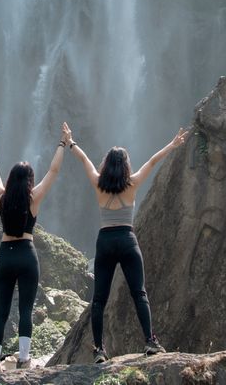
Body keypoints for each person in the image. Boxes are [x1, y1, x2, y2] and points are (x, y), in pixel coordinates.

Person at [66, 125, 189, 362]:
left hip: (105, 241)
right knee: (139, 293)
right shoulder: (132, 183)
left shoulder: (98, 183)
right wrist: (172, 145)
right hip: (126, 240)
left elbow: (84, 161)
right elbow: (152, 162)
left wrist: (71, 142)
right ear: (125, 165)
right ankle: (150, 342)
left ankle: (100, 350)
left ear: (106, 164)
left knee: (99, 299)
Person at [0, 119, 71, 373]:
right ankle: (23, 359)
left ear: (12, 180)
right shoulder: (34, 198)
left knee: (1, 313)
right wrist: (62, 144)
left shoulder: (1, 196)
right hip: (27, 255)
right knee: (25, 310)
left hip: (5, 255)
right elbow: (53, 172)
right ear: (30, 181)